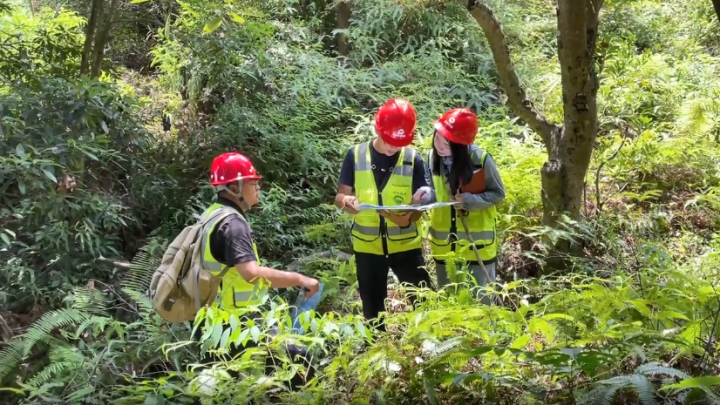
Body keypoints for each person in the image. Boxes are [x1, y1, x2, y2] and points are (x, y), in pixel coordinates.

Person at [192, 151, 320, 389]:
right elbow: (251, 273)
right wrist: (300, 279)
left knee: (230, 388)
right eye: (252, 182)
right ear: (233, 187)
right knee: (298, 360)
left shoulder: (211, 215)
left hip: (211, 321)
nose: (257, 186)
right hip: (236, 322)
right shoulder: (232, 224)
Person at [334, 98, 432, 331]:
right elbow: (340, 196)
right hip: (367, 247)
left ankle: (431, 348)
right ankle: (376, 352)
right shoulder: (355, 155)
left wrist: (409, 215)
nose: (393, 147)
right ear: (378, 129)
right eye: (389, 141)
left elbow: (422, 202)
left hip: (406, 245)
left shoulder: (412, 158)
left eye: (399, 142)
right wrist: (347, 201)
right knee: (372, 309)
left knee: (423, 299)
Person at [414, 108, 505, 305]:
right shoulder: (431, 159)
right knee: (450, 303)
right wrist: (424, 195)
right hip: (444, 246)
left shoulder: (480, 160)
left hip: (477, 246)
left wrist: (470, 200)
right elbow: (432, 191)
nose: (440, 145)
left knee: (483, 301)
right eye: (438, 138)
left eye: (448, 142)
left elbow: (498, 194)